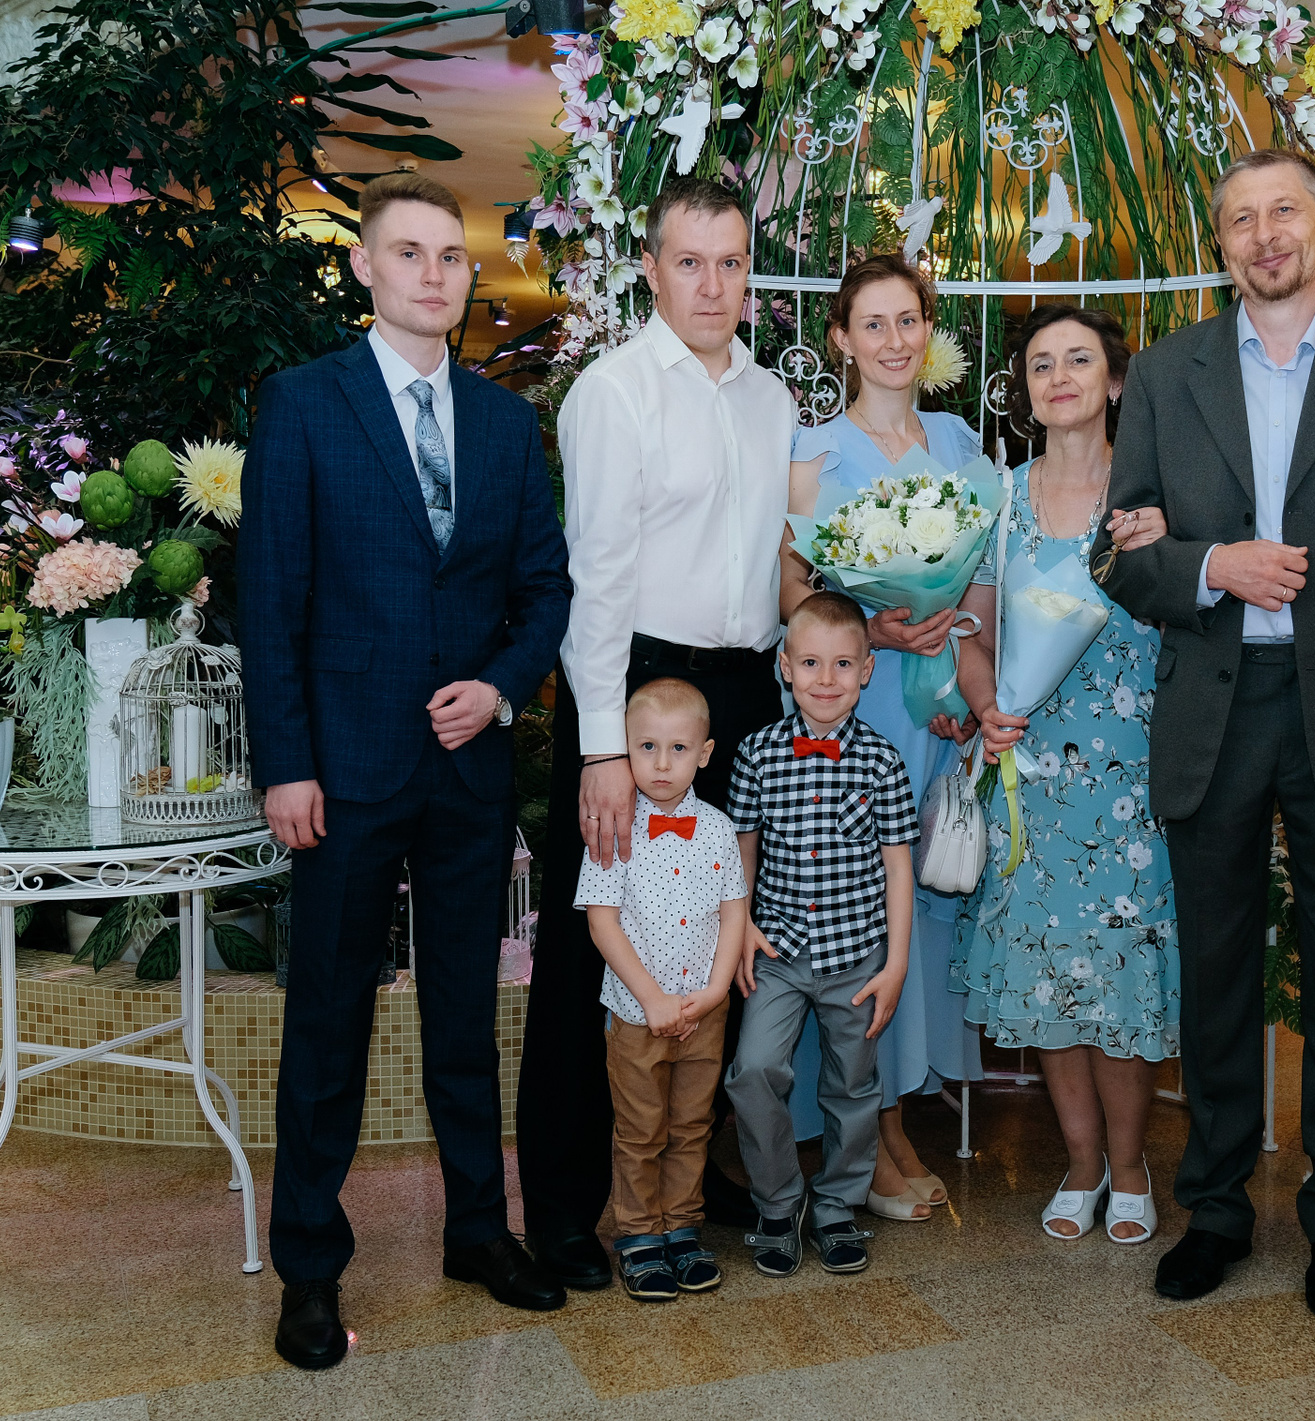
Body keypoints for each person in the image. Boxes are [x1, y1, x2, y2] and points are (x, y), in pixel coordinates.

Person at [1088, 148, 1315, 1310]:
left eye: (1284, 209)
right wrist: (1211, 567)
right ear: (1222, 244)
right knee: (1218, 974)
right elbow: (1117, 553)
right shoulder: (1165, 372)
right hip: (1216, 705)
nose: (1265, 233)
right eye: (1241, 218)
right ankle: (1219, 1207)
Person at [239, 171, 573, 1370]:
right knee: (327, 1024)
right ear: (365, 267)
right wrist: (286, 764)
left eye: (451, 254)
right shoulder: (304, 402)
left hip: (467, 770)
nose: (435, 273)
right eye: (411, 251)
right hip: (342, 772)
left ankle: (478, 1231)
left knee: (464, 1020)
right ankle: (309, 1269)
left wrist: (500, 687)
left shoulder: (504, 424)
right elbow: (269, 601)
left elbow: (545, 588)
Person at [521, 175, 797, 1287]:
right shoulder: (614, 392)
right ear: (650, 267)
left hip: (745, 693)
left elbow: (779, 555)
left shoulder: (773, 398)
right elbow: (596, 580)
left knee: (718, 931)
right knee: (586, 949)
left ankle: (689, 1176)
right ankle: (563, 1207)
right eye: (690, 262)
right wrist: (600, 745)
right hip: (633, 692)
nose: (713, 286)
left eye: (731, 263)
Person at [943, 304, 1177, 1245]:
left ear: (1115, 381)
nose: (1060, 377)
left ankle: (1131, 1163)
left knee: (1118, 975)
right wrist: (986, 703)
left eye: (1079, 359)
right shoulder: (1000, 500)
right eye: (1041, 364)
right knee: (1048, 980)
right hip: (1028, 771)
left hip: (1133, 778)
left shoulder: (1152, 498)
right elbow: (971, 631)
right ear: (1026, 391)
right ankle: (1081, 1163)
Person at [778, 254, 982, 1221]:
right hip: (854, 710)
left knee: (924, 910)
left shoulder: (959, 440)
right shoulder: (815, 451)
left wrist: (965, 676)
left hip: (938, 711)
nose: (895, 341)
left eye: (909, 321)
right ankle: (868, 1140)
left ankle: (894, 1119)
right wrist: (876, 630)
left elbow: (984, 577)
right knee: (857, 918)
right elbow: (793, 591)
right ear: (842, 339)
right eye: (874, 324)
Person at [724, 591, 919, 1275]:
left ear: (866, 670)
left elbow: (899, 868)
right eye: (810, 662)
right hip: (776, 951)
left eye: (842, 663)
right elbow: (742, 853)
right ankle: (779, 1203)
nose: (826, 679)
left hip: (857, 956)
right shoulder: (756, 754)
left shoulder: (882, 761)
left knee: (853, 1087)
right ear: (785, 667)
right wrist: (741, 928)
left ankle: (837, 1203)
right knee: (754, 1071)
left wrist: (895, 964)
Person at [574, 678, 748, 1303]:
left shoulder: (719, 828)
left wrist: (717, 989)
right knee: (641, 1129)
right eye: (646, 747)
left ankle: (683, 1228)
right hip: (636, 1014)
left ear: (704, 753)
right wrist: (650, 998)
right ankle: (639, 1236)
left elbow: (734, 912)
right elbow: (602, 923)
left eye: (678, 748)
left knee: (693, 1125)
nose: (662, 764)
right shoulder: (613, 828)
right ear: (626, 748)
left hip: (704, 1010)